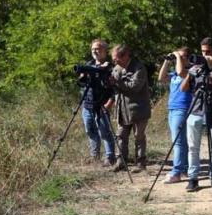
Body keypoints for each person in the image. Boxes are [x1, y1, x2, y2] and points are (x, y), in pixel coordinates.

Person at [181, 37, 212, 192]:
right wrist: (190, 74)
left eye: (208, 51)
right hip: (195, 111)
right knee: (193, 147)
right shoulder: (197, 65)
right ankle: (193, 178)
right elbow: (183, 88)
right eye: (203, 51)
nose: (205, 54)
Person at [109, 44, 152, 173]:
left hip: (138, 108)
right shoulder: (116, 68)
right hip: (122, 108)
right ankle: (121, 162)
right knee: (120, 135)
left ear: (126, 55)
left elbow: (135, 87)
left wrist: (117, 82)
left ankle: (141, 163)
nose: (114, 61)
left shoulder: (138, 68)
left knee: (138, 135)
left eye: (116, 58)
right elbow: (114, 87)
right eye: (113, 59)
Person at [157, 47, 192, 184]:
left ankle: (176, 172)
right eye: (179, 57)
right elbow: (161, 78)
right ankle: (184, 168)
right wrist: (167, 60)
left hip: (182, 109)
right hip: (172, 109)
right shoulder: (174, 74)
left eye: (183, 57)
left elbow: (181, 71)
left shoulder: (189, 72)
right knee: (180, 141)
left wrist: (177, 57)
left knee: (177, 142)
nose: (180, 59)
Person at [79, 38, 116, 167]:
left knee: (104, 132)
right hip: (87, 104)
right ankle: (94, 156)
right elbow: (81, 84)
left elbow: (114, 89)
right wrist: (82, 76)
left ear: (105, 51)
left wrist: (109, 103)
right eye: (93, 49)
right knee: (90, 131)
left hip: (101, 104)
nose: (95, 51)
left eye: (98, 48)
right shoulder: (88, 65)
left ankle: (110, 157)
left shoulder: (110, 67)